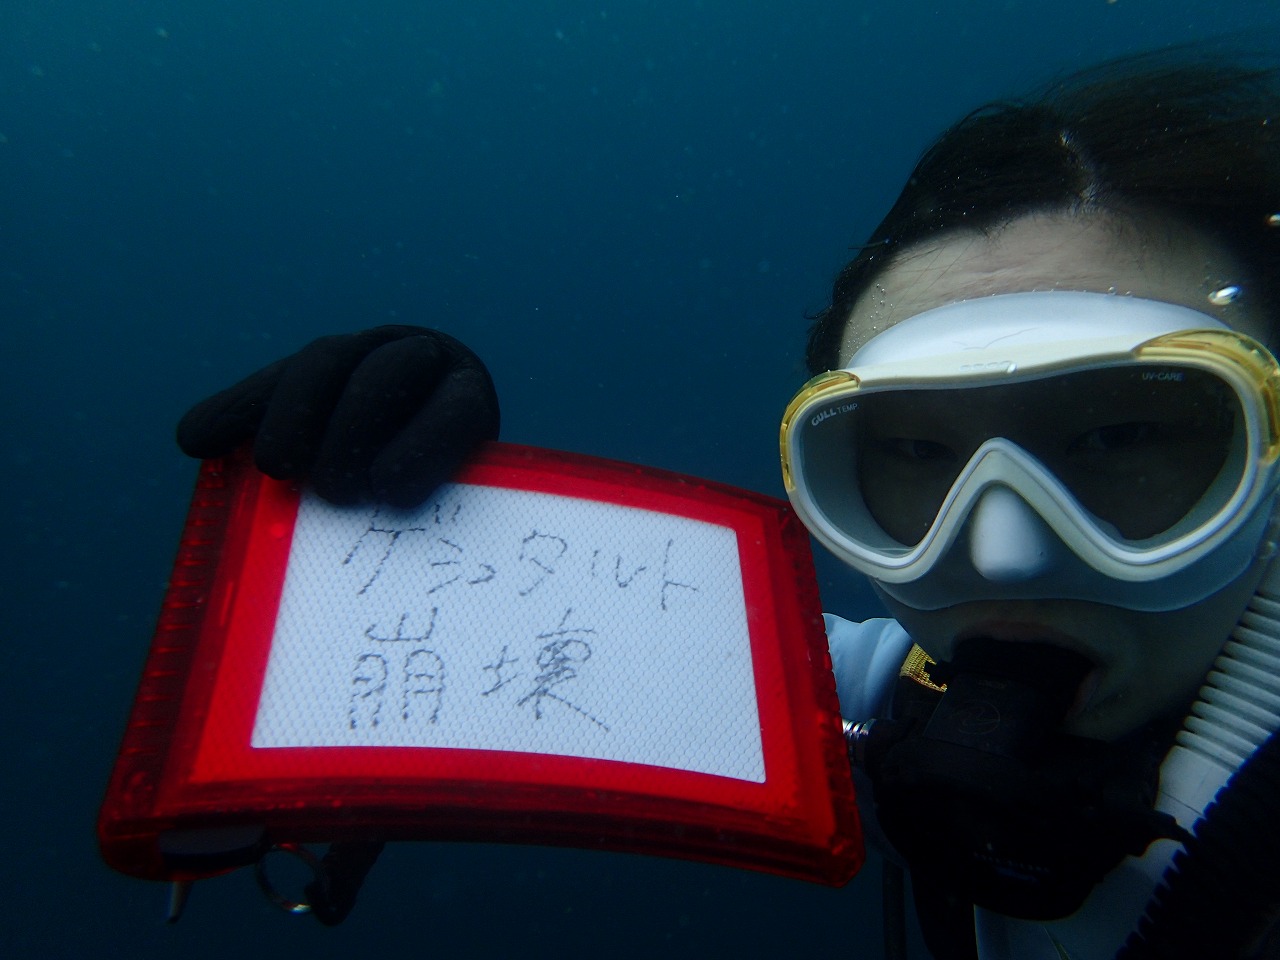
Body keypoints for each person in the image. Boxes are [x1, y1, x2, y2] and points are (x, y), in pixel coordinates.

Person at [176, 51, 1280, 959]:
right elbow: (553, 657)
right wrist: (371, 535)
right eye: (906, 454)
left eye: (1119, 435)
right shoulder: (862, 707)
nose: (1000, 555)